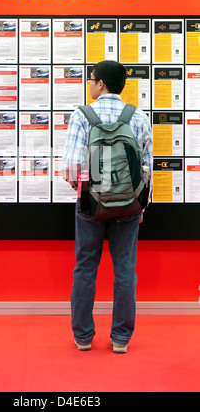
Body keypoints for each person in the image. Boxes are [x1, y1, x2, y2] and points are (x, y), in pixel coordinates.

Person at [62, 60, 153, 353]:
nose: (89, 84)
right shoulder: (138, 117)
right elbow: (147, 169)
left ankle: (83, 337)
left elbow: (71, 170)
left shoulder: (82, 116)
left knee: (85, 267)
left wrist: (91, 192)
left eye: (91, 79)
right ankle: (121, 339)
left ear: (100, 83)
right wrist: (139, 205)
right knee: (125, 270)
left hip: (90, 206)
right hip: (129, 207)